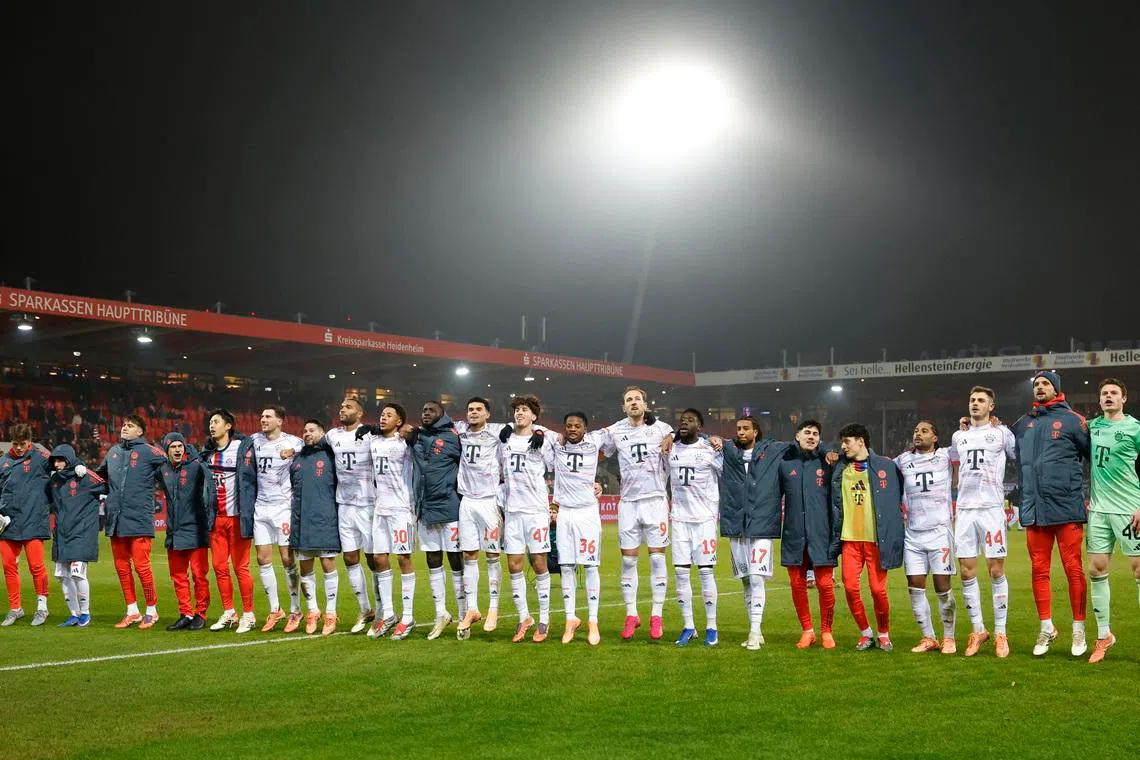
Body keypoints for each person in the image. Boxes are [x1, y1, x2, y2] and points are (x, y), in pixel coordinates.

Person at [1010, 370, 1091, 657]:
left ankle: (1079, 630)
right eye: (1037, 384)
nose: (1040, 387)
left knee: (1073, 569)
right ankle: (1046, 627)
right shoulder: (1022, 424)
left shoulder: (1074, 421)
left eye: (1045, 383)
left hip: (1067, 507)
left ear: (1056, 389)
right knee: (1038, 570)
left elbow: (1094, 456)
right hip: (1035, 508)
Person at [601, 386, 674, 641]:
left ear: (646, 404)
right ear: (624, 406)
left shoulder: (662, 428)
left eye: (637, 399)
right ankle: (631, 614)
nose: (633, 403)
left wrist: (673, 435)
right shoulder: (615, 430)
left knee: (656, 560)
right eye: (629, 400)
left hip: (655, 501)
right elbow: (591, 445)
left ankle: (656, 615)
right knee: (629, 561)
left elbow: (685, 434)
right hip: (629, 503)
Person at [949, 386, 1016, 658]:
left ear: (992, 406)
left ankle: (1001, 632)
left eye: (980, 400)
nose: (975, 404)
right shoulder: (958, 436)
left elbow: (1019, 457)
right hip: (964, 509)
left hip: (990, 508)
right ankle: (978, 630)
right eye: (972, 399)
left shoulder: (1002, 433)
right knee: (966, 571)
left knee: (996, 570)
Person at [831, 422, 905, 652]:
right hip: (850, 539)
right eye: (842, 442)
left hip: (875, 539)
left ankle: (884, 634)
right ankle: (866, 633)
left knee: (877, 590)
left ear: (861, 441)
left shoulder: (885, 465)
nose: (843, 446)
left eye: (847, 441)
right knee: (851, 588)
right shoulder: (840, 468)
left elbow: (896, 494)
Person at [1085, 378, 1140, 663]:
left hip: (1130, 509)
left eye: (1113, 393)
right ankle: (1104, 635)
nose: (1108, 396)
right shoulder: (1092, 427)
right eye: (1104, 393)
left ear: (1124, 398)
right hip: (1098, 511)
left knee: (1139, 571)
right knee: (1096, 570)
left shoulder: (1135, 428)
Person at [96, 414, 168, 629]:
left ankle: (152, 610)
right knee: (121, 567)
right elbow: (100, 477)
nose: (125, 428)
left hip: (139, 518)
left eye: (130, 425)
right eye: (124, 424)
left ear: (140, 431)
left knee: (142, 566)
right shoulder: (113, 452)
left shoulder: (150, 452)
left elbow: (171, 465)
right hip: (116, 518)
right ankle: (132, 611)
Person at [895, 421, 957, 654]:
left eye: (924, 431)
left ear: (935, 438)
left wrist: (970, 426)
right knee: (915, 586)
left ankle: (949, 638)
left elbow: (968, 443)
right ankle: (929, 637)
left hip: (939, 531)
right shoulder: (902, 460)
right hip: (912, 534)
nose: (918, 434)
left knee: (942, 587)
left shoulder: (945, 455)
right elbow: (878, 468)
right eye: (915, 431)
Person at [499, 395, 555, 642]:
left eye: (524, 410)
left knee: (540, 563)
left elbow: (560, 455)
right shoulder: (505, 438)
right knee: (513, 565)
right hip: (512, 511)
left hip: (535, 510)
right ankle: (524, 618)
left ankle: (544, 619)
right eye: (517, 410)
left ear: (534, 416)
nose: (519, 413)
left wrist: (543, 433)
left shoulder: (542, 438)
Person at [779, 420, 838, 650]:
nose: (811, 436)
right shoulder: (785, 465)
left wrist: (828, 452)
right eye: (807, 433)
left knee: (825, 585)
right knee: (797, 584)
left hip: (821, 534)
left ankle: (826, 631)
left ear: (820, 440)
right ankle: (808, 631)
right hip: (794, 534)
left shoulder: (828, 463)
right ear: (797, 436)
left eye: (815, 434)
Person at [667, 409, 723, 647]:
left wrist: (718, 440)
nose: (684, 423)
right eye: (681, 420)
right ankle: (688, 626)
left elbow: (730, 473)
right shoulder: (670, 450)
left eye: (690, 420)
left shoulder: (711, 450)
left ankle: (712, 626)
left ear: (699, 427)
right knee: (680, 573)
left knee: (705, 572)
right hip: (679, 520)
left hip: (704, 521)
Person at [549, 412, 605, 645]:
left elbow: (625, 427)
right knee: (567, 566)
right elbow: (532, 427)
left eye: (577, 426)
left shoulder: (596, 440)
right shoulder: (556, 443)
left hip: (587, 512)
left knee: (591, 566)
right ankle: (570, 619)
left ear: (585, 429)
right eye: (569, 426)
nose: (572, 429)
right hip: (565, 513)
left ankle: (593, 621)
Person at [200, 409, 259, 633]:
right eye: (210, 422)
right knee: (219, 566)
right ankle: (229, 612)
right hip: (216, 519)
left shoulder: (243, 447)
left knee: (240, 567)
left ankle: (249, 614)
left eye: (216, 422)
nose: (211, 426)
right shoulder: (207, 453)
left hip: (238, 518)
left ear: (228, 425)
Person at [412, 400, 466, 640]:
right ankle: (441, 613)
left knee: (456, 559)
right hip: (425, 507)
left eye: (431, 410)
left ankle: (464, 614)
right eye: (423, 410)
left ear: (442, 413)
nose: (426, 413)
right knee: (433, 558)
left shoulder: (455, 437)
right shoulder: (416, 436)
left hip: (450, 506)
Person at [455, 397, 508, 637]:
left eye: (478, 409)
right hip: (467, 501)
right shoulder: (460, 430)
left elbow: (522, 428)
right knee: (469, 555)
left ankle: (494, 608)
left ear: (488, 414)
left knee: (493, 554)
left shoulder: (498, 431)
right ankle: (473, 609)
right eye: (470, 409)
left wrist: (538, 429)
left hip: (489, 501)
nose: (473, 413)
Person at [250, 406, 304, 632]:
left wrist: (292, 453)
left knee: (287, 559)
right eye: (261, 416)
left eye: (268, 416)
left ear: (280, 421)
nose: (263, 419)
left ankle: (296, 610)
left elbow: (313, 447)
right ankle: (275, 609)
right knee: (263, 559)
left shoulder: (294, 442)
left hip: (283, 507)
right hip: (260, 507)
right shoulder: (253, 440)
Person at [367, 403, 418, 640]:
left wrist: (411, 432)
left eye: (389, 415)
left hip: (401, 509)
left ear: (399, 421)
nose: (383, 417)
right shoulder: (373, 441)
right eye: (381, 414)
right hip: (380, 508)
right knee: (378, 558)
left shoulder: (405, 442)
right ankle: (388, 613)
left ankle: (407, 616)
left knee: (403, 558)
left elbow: (419, 436)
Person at [157, 433, 215, 631]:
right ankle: (185, 613)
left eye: (180, 446)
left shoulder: (196, 466)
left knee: (199, 576)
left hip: (196, 530)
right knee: (178, 576)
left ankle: (200, 614)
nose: (177, 450)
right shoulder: (162, 469)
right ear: (167, 450)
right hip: (174, 532)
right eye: (173, 447)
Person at [289, 419, 341, 636]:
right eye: (305, 430)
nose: (307, 433)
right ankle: (313, 611)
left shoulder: (331, 455)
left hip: (325, 517)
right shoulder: (298, 458)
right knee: (305, 568)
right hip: (302, 519)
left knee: (328, 564)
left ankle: (330, 612)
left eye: (312, 430)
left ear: (323, 432)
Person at [331, 396, 378, 633]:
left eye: (348, 407)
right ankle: (365, 608)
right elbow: (312, 440)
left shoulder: (370, 434)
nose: (343, 409)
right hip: (344, 505)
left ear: (359, 414)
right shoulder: (333, 435)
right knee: (350, 558)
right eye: (341, 406)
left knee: (373, 559)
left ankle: (382, 610)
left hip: (368, 504)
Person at [47, 443, 105, 627]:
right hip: (62, 534)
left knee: (77, 574)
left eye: (60, 460)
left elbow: (107, 485)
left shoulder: (85, 477)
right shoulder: (54, 481)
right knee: (62, 576)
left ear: (69, 459)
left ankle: (85, 614)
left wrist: (85, 468)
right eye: (54, 460)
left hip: (82, 533)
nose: (57, 464)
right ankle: (74, 614)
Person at [0, 426, 53, 626]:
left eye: (23, 444)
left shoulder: (41, 458)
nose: (20, 448)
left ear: (29, 441)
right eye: (15, 444)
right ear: (11, 442)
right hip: (8, 523)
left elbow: (64, 463)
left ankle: (42, 607)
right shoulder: (2, 462)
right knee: (8, 566)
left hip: (33, 520)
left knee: (36, 566)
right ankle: (15, 608)